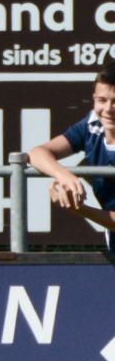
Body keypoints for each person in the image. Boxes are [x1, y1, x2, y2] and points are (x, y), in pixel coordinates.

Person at [28, 66, 115, 248]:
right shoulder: (92, 126)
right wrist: (64, 175)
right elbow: (36, 153)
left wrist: (79, 209)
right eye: (102, 100)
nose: (108, 109)